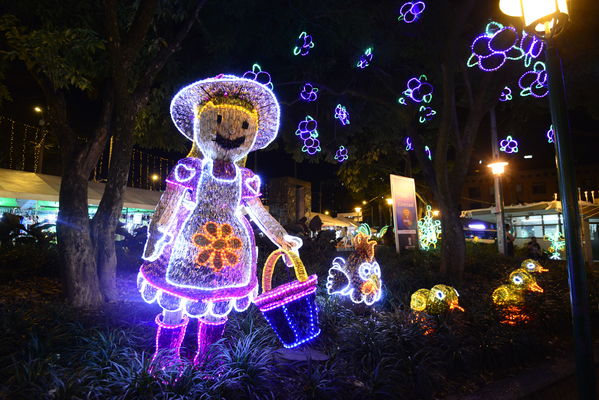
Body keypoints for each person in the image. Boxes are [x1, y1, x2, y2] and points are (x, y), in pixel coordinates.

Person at [138, 74, 302, 372]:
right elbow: (168, 206)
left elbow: (259, 213)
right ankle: (166, 360)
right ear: (202, 124)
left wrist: (282, 238)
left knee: (217, 310)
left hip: (231, 251)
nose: (231, 132)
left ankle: (209, 358)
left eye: (243, 126)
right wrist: (156, 234)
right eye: (220, 121)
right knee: (174, 303)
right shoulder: (189, 169)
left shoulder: (247, 179)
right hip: (185, 247)